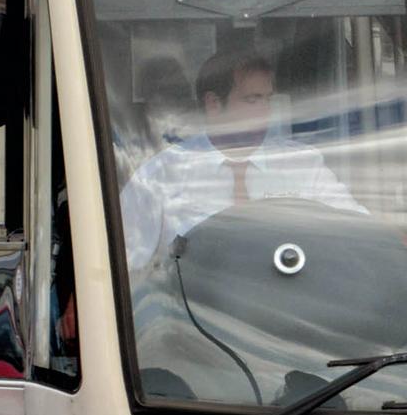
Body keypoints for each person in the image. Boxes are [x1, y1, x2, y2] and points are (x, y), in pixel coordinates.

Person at [119, 47, 366, 274]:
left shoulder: (301, 164)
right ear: (214, 104)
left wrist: (400, 240)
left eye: (268, 99)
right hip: (189, 316)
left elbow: (359, 230)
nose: (265, 111)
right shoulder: (162, 175)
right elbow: (125, 267)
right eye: (252, 100)